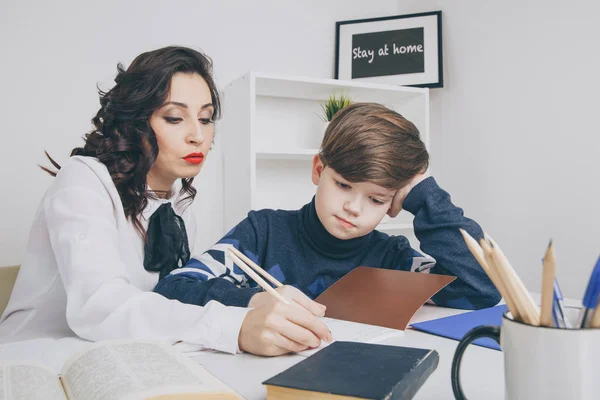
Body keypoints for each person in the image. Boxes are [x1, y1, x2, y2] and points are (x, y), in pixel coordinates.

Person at [0, 46, 331, 356]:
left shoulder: (178, 207)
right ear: (136, 122)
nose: (197, 135)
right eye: (175, 118)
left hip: (122, 355)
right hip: (36, 358)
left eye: (205, 118)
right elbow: (99, 305)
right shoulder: (84, 179)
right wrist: (235, 326)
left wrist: (252, 303)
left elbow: (166, 299)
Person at [154, 103, 501, 343]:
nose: (353, 207)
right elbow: (174, 288)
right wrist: (252, 302)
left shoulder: (393, 258)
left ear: (394, 204)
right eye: (343, 185)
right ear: (319, 170)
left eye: (376, 199)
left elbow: (478, 290)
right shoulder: (263, 232)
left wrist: (424, 195)